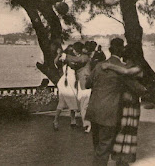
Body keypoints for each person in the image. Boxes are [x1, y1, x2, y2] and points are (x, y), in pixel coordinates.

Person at [101, 45, 146, 166]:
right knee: (129, 129)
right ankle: (124, 159)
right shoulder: (137, 68)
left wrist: (109, 65)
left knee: (121, 129)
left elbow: (125, 72)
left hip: (123, 102)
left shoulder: (126, 68)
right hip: (131, 103)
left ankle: (119, 159)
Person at [85, 38, 126, 166]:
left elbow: (87, 84)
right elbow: (135, 87)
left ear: (110, 50)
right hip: (110, 113)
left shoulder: (98, 66)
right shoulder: (122, 69)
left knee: (98, 146)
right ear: (122, 50)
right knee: (104, 148)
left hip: (94, 112)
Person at [53, 45, 79, 130]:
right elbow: (56, 62)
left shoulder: (70, 60)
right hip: (67, 82)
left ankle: (58, 120)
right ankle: (72, 120)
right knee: (71, 100)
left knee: (63, 102)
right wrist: (58, 54)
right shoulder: (68, 60)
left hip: (67, 82)